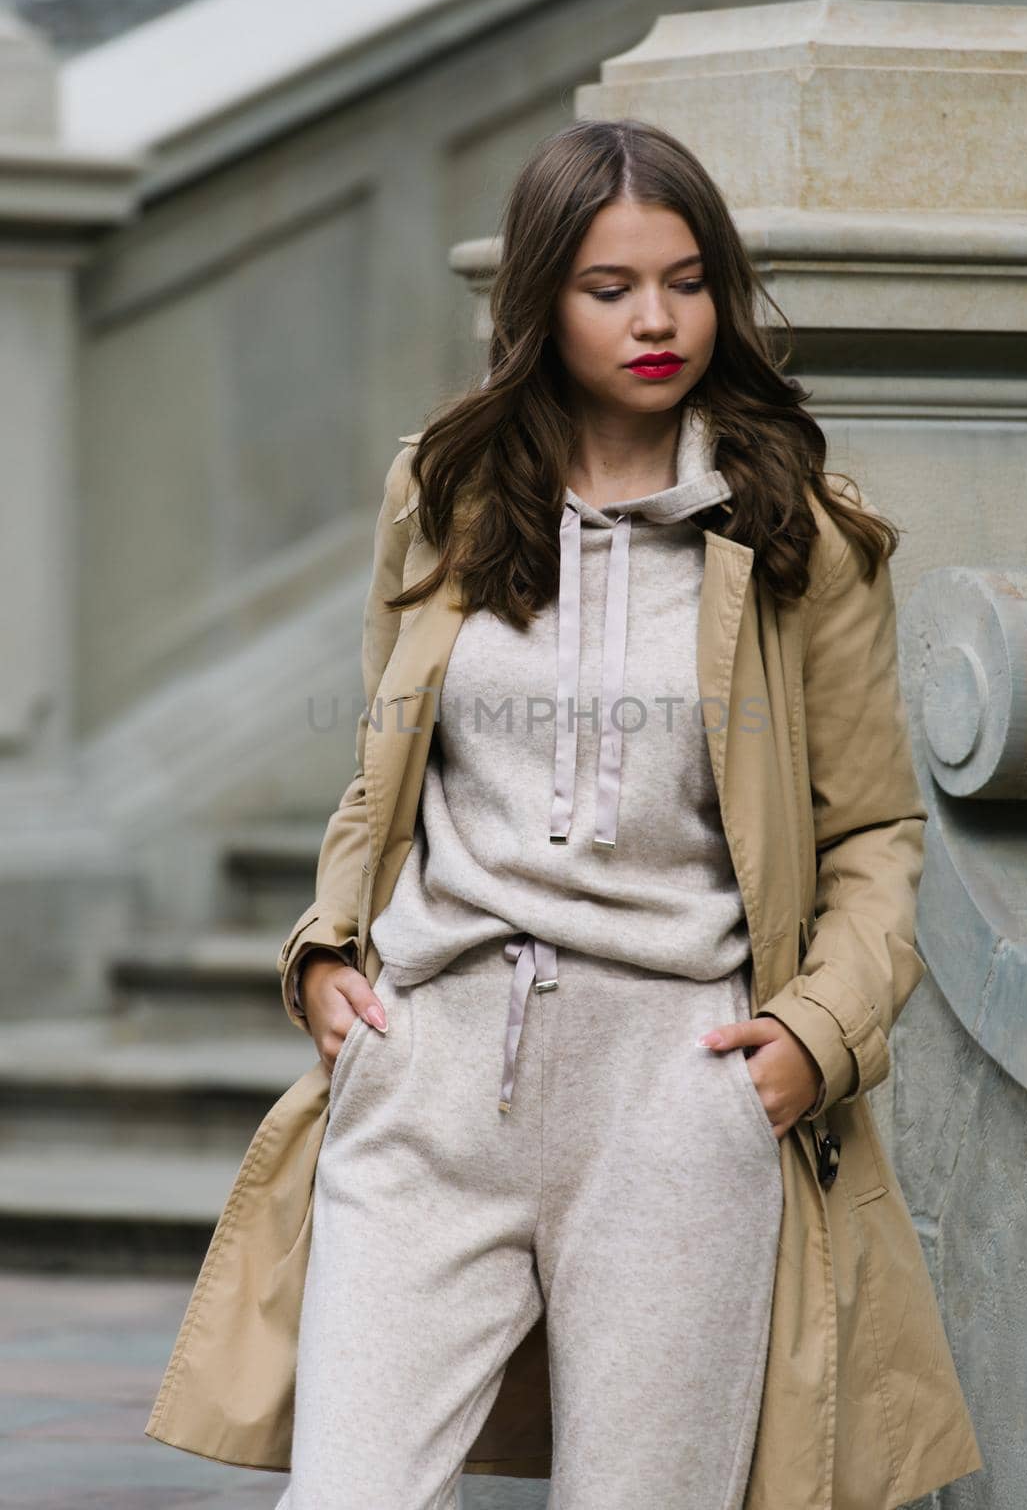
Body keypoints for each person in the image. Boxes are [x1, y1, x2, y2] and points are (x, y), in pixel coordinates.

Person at [270, 119, 977, 1509]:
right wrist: (329, 950)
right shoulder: (446, 494)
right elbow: (385, 769)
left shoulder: (796, 533)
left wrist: (810, 1041)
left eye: (689, 279)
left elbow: (875, 836)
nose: (658, 320)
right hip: (432, 1070)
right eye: (610, 288)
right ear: (542, 299)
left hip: (678, 1091)